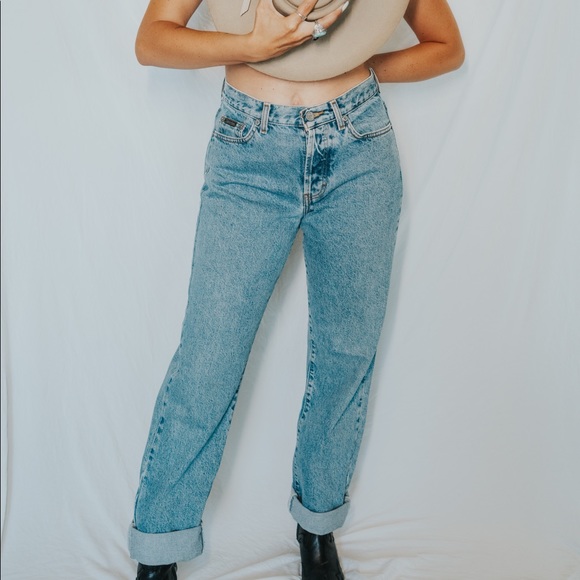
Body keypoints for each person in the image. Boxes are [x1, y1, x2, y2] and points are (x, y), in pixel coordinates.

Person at [128, 0, 464, 578]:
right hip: (249, 148)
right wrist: (250, 47)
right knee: (209, 358)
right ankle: (159, 550)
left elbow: (446, 47)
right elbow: (152, 41)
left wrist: (358, 61)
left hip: (359, 144)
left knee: (346, 354)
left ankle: (317, 527)